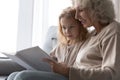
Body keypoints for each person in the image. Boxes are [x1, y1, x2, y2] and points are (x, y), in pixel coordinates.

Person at [6, 7, 88, 80]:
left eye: (71, 27)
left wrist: (64, 67)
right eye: (64, 27)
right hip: (55, 74)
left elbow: (83, 68)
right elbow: (50, 58)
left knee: (22, 76)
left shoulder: (84, 44)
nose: (67, 31)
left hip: (68, 76)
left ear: (80, 26)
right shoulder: (61, 45)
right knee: (13, 75)